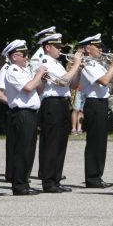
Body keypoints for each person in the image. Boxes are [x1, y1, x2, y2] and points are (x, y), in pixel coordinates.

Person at [34, 33, 82, 193]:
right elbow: (61, 81)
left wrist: (78, 70)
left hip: (62, 103)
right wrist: (75, 64)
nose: (61, 49)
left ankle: (56, 179)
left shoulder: (57, 63)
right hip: (52, 104)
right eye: (58, 46)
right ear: (48, 47)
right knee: (52, 143)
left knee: (61, 143)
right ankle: (48, 182)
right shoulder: (45, 61)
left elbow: (72, 84)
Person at [77, 33, 113, 188]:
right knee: (95, 142)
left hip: (101, 103)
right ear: (88, 48)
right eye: (97, 46)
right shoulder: (88, 64)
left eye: (100, 46)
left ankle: (97, 176)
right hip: (93, 103)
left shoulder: (98, 64)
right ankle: (92, 177)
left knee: (101, 142)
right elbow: (104, 80)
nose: (100, 49)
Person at [3, 39, 46, 195]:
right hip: (21, 113)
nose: (27, 58)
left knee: (29, 150)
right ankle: (19, 185)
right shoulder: (12, 70)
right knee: (22, 150)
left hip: (31, 113)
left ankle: (24, 182)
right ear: (15, 56)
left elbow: (38, 90)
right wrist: (39, 74)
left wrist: (42, 79)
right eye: (24, 55)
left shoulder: (25, 71)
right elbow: (28, 88)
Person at [0, 50, 12, 182]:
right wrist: (12, 103)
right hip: (11, 109)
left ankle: (19, 174)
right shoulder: (6, 69)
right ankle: (12, 174)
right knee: (14, 144)